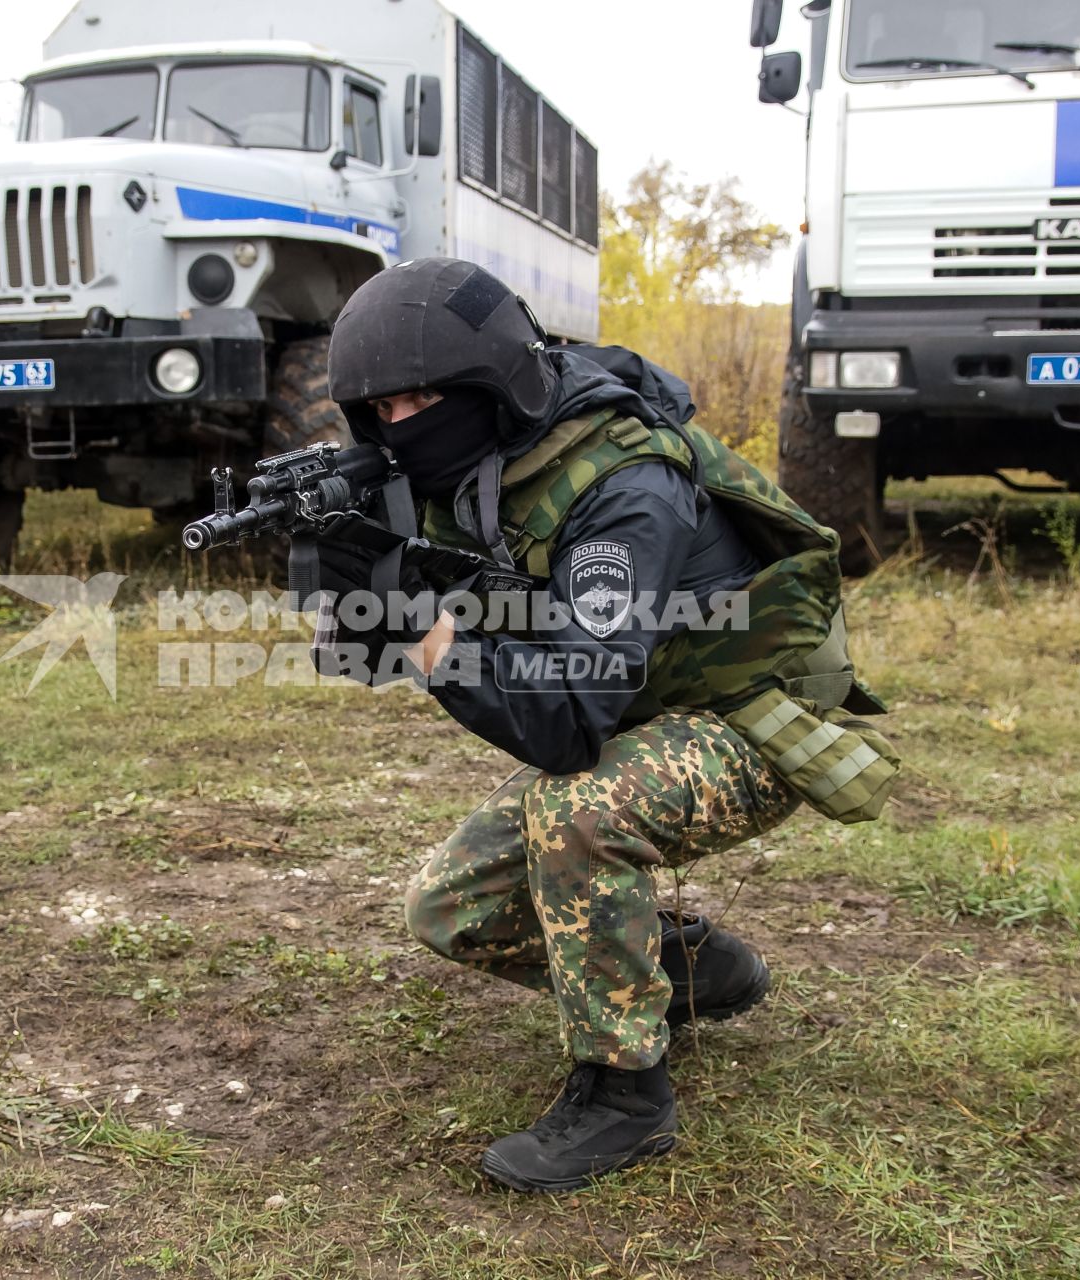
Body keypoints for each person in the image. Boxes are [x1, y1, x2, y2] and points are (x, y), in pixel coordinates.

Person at [315, 257, 897, 1194]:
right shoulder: (480, 469)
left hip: (750, 717)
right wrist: (359, 578)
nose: (397, 427)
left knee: (581, 812)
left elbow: (562, 721)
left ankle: (625, 1096)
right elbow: (413, 649)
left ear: (489, 383)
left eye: (417, 399)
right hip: (645, 706)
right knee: (448, 909)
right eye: (377, 411)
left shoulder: (624, 487)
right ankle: (687, 966)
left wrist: (417, 624)